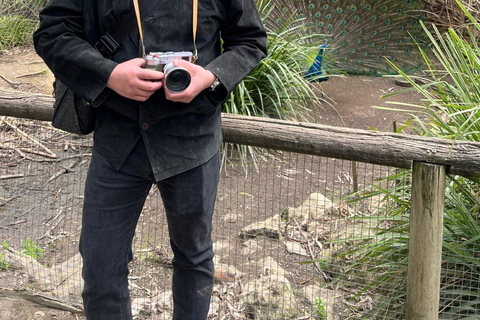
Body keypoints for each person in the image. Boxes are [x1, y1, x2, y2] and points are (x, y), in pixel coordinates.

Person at [33, 0, 267, 319]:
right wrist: (109, 74)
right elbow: (52, 32)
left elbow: (251, 40)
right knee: (100, 267)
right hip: (118, 139)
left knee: (194, 257)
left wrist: (210, 77)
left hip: (192, 140)